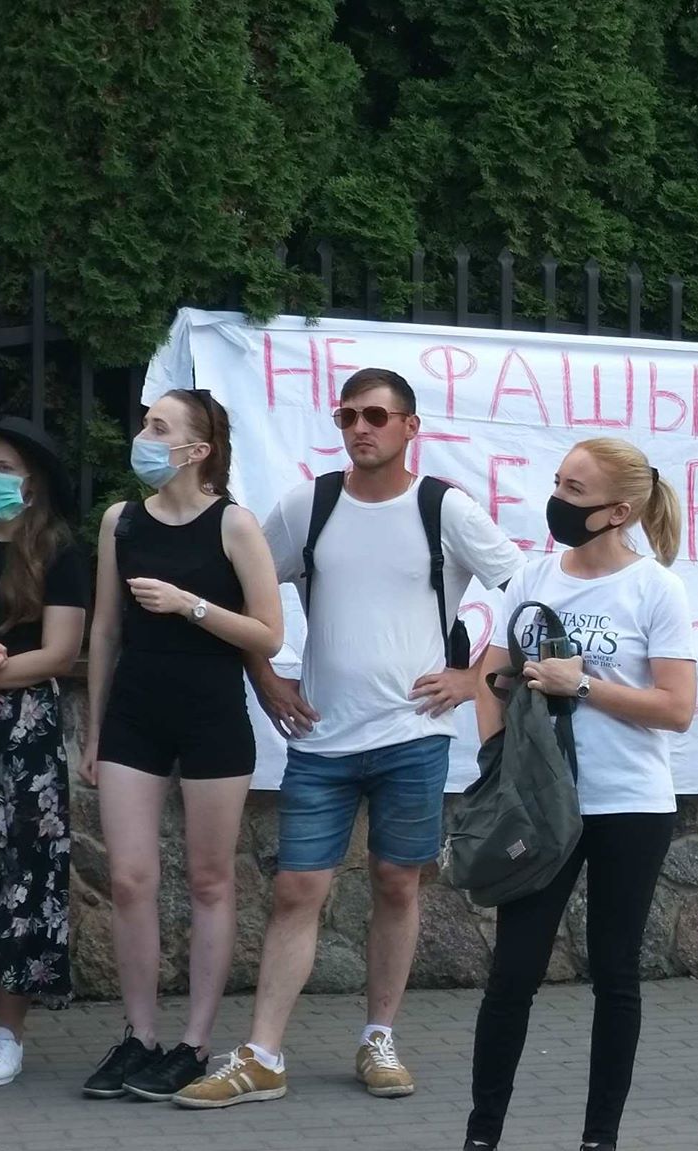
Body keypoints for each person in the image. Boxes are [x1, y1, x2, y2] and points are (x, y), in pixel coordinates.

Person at [176, 368, 523, 1109]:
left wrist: (473, 679)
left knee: (398, 883)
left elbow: (526, 591)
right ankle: (263, 1053)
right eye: (347, 416)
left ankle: (378, 1037)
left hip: (414, 737)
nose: (360, 428)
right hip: (323, 739)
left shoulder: (443, 507)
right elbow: (244, 588)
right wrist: (266, 677)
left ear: (409, 427)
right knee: (298, 887)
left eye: (376, 415)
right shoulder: (312, 504)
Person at [463, 438, 696, 1151]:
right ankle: (481, 1134)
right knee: (513, 973)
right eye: (558, 482)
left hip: (629, 804)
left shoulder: (655, 587)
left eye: (576, 489)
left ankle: (600, 1137)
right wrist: (502, 758)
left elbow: (676, 706)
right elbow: (489, 674)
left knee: (615, 973)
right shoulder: (535, 574)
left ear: (619, 510)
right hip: (542, 807)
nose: (558, 499)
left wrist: (583, 684)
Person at [80, 391, 284, 1102]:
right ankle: (138, 1034)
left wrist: (190, 604)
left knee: (208, 880)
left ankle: (195, 1042)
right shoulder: (120, 521)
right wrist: (96, 727)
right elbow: (105, 630)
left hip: (211, 717)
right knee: (131, 878)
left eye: (158, 427)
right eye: (144, 421)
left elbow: (269, 633)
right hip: (135, 715)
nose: (143, 434)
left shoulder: (233, 524)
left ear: (197, 451)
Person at [0, 418, 88, 1089]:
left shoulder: (58, 551)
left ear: (32, 483)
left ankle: (8, 1029)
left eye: (2, 466)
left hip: (22, 726)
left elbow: (60, 650)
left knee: (22, 870)